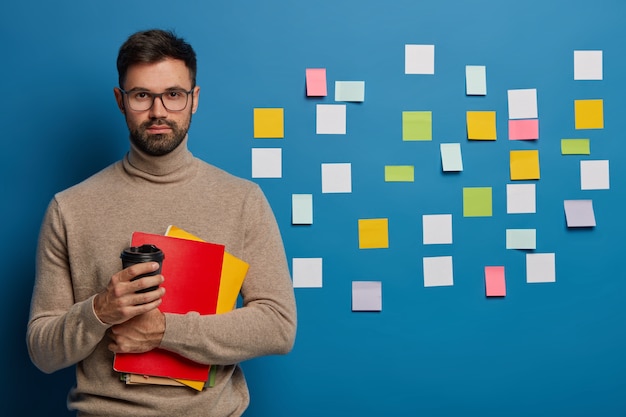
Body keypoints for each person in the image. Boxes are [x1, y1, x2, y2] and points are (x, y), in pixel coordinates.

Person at [26, 29, 297, 417]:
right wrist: (100, 310)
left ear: (194, 100)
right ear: (120, 101)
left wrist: (166, 331)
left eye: (173, 94)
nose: (158, 111)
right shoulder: (69, 208)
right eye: (141, 95)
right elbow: (42, 351)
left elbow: (279, 326)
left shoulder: (242, 200)